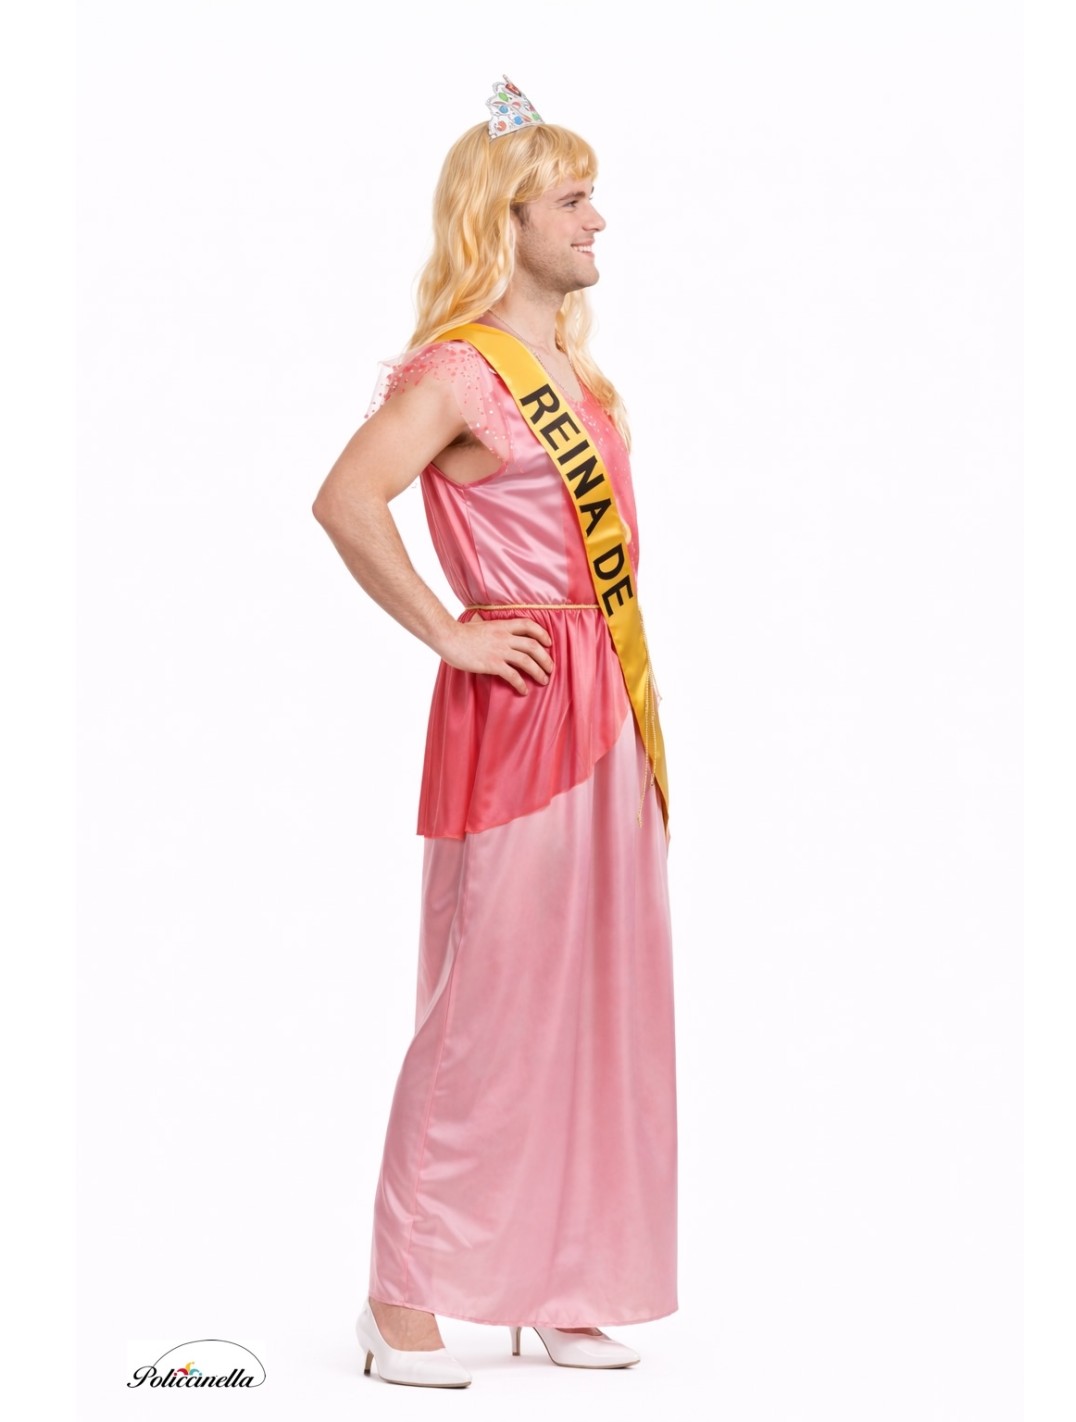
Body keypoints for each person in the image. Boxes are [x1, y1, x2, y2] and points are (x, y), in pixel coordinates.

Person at [311, 76, 677, 1390]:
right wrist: (450, 632)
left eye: (592, 198)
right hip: (519, 711)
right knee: (490, 1004)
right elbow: (347, 498)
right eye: (572, 199)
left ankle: (560, 1280)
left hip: (606, 698)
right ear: (504, 217)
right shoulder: (461, 369)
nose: (597, 221)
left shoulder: (580, 372)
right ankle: (400, 1294)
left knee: (597, 1000)